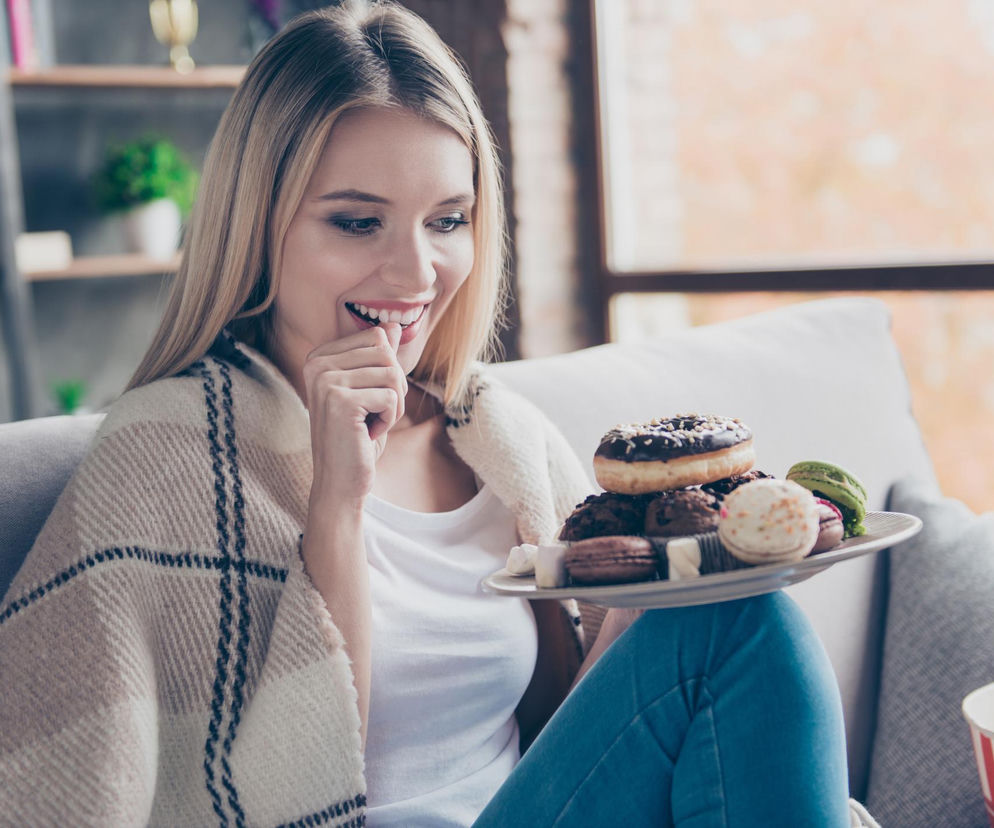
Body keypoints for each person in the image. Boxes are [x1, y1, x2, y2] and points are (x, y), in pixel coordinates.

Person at [0, 2, 871, 825]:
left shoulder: (500, 438)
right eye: (356, 222)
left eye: (446, 220)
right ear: (257, 225)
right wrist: (336, 507)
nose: (416, 274)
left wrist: (678, 579)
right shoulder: (167, 454)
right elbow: (286, 792)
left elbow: (565, 738)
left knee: (745, 612)